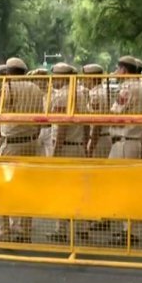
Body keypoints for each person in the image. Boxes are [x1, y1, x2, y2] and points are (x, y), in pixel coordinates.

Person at [0, 57, 44, 243]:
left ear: (8, 73)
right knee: (27, 188)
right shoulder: (36, 88)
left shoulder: (8, 88)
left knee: (2, 189)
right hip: (31, 143)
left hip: (12, 145)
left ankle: (4, 232)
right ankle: (25, 230)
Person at [47, 62, 89, 243]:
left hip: (64, 148)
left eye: (55, 76)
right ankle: (82, 227)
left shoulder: (61, 97)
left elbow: (61, 128)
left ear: (62, 77)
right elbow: (87, 122)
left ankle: (61, 229)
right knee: (79, 188)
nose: (53, 80)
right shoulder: (81, 93)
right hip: (78, 145)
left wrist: (55, 154)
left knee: (61, 189)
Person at [107, 55, 142, 245]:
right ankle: (127, 229)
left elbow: (115, 112)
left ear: (124, 70)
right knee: (127, 186)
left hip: (124, 140)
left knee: (124, 187)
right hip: (131, 140)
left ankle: (129, 231)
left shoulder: (128, 87)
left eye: (118, 69)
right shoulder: (140, 86)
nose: (116, 72)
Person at [83, 64, 112, 158]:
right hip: (103, 137)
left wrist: (91, 146)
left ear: (91, 78)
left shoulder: (95, 95)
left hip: (98, 139)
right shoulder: (103, 92)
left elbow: (97, 123)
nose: (83, 80)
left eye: (85, 77)